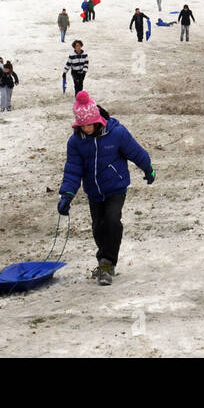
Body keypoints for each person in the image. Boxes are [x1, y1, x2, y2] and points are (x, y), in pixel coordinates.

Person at [57, 91, 156, 286]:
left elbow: (135, 151)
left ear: (96, 120)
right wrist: (66, 195)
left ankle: (107, 263)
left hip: (115, 187)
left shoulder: (116, 133)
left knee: (112, 220)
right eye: (82, 125)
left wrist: (148, 168)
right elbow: (73, 170)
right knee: (98, 227)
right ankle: (104, 260)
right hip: (94, 192)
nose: (86, 128)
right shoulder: (76, 142)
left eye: (89, 124)